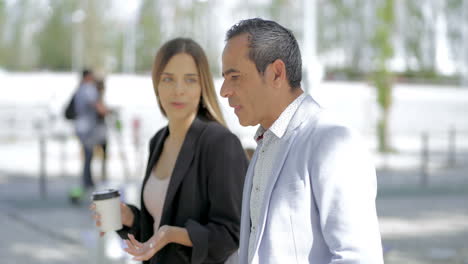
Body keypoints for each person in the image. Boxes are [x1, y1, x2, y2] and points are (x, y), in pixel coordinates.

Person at [220, 18, 384, 263]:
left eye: (235, 77)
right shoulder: (265, 144)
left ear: (276, 73)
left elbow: (358, 257)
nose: (224, 90)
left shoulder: (334, 143)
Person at [91, 38, 248, 264]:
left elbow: (234, 234)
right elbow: (154, 233)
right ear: (157, 84)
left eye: (190, 80)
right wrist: (129, 218)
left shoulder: (219, 143)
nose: (178, 90)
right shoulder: (158, 141)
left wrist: (173, 234)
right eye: (168, 79)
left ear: (202, 86)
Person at [74, 69, 108, 190]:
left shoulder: (80, 89)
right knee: (89, 155)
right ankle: (87, 182)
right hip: (87, 128)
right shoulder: (87, 89)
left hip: (83, 127)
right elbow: (97, 106)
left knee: (89, 155)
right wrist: (105, 110)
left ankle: (88, 181)